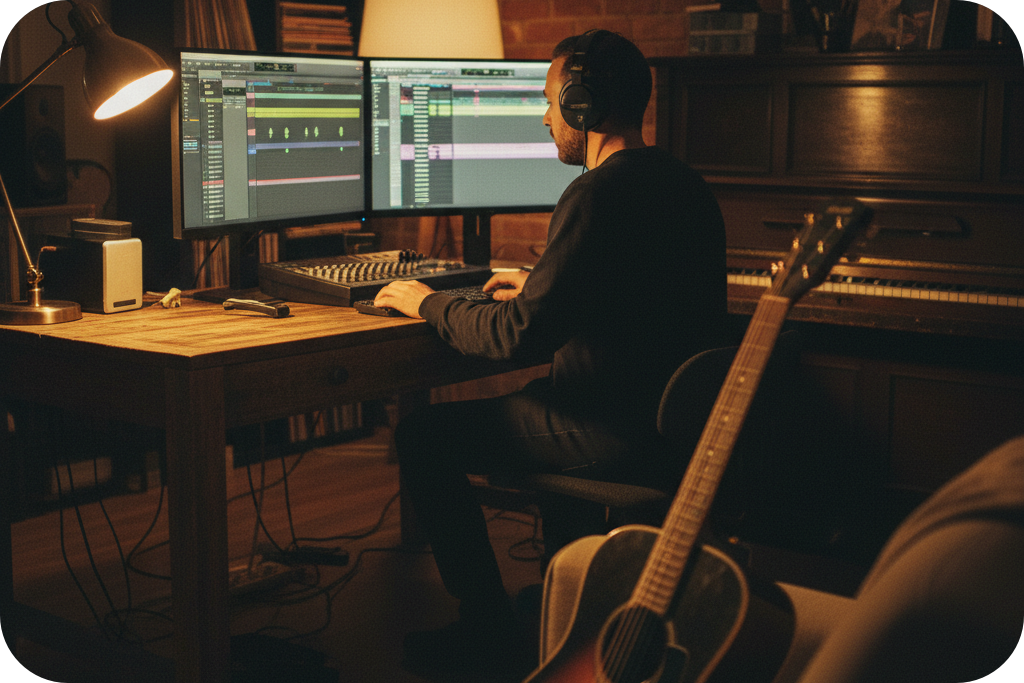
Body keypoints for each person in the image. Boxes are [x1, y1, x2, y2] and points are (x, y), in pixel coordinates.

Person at [373, 30, 728, 677]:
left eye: (549, 98)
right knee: (535, 402)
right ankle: (570, 604)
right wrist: (534, 285)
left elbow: (515, 336)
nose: (544, 116)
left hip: (611, 427)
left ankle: (486, 630)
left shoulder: (594, 195)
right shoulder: (684, 183)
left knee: (423, 433)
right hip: (671, 422)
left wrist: (427, 301)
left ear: (583, 102)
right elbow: (626, 288)